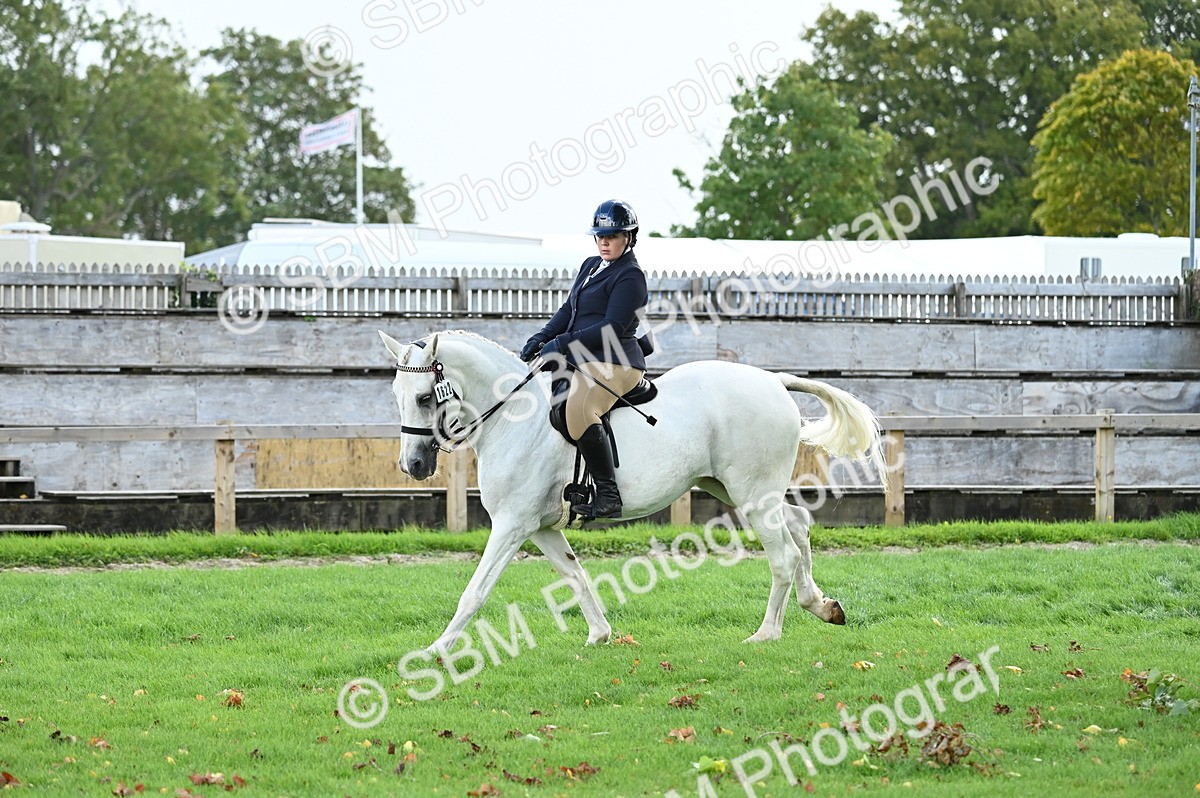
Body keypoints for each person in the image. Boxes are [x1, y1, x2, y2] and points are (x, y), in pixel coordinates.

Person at [519, 199, 648, 519]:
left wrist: (561, 343)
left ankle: (608, 494)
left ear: (629, 237)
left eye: (613, 236)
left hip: (618, 361)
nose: (604, 242)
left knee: (579, 407)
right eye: (600, 235)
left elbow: (612, 328)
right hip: (582, 357)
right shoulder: (590, 265)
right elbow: (569, 311)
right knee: (556, 407)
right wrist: (543, 336)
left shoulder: (631, 276)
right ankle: (576, 482)